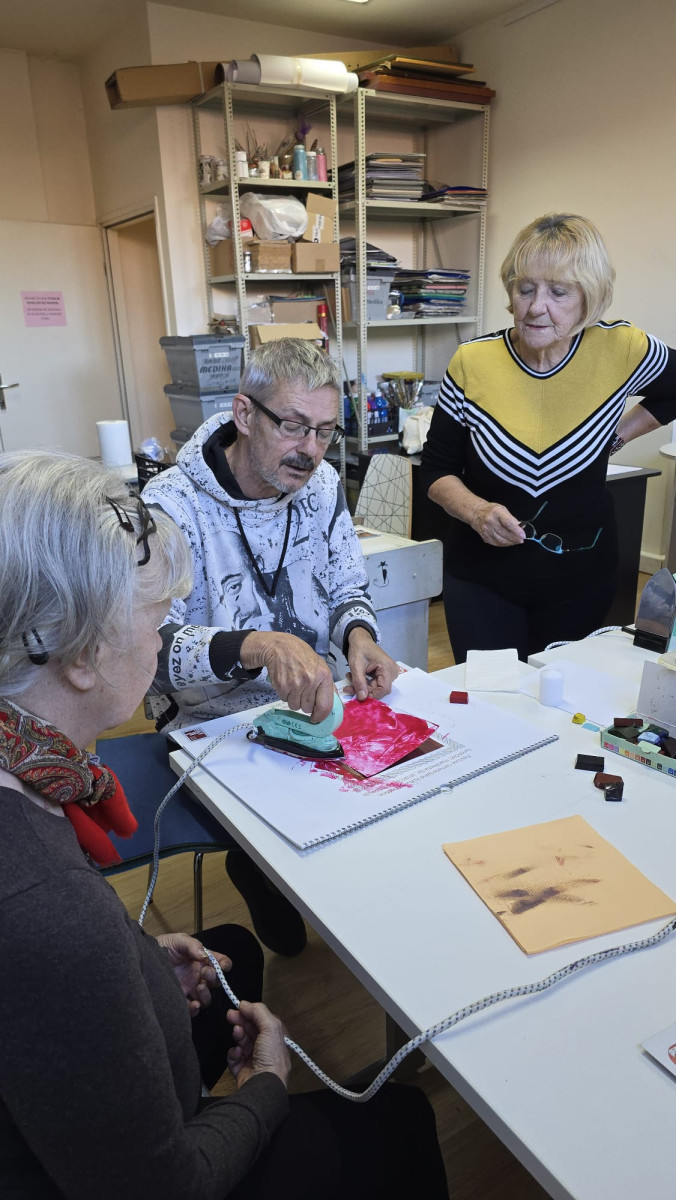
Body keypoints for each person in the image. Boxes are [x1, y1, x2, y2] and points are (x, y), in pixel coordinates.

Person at [0, 450, 449, 1200]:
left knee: (230, 951)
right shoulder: (45, 907)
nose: (158, 640)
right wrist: (267, 1086)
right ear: (80, 654)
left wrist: (136, 959)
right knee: (401, 1119)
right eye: (152, 621)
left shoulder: (33, 773)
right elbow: (160, 1186)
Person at [143, 338, 400, 954]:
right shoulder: (171, 505)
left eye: (325, 431)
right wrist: (257, 644)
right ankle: (254, 864)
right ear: (243, 413)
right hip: (209, 721)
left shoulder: (324, 484)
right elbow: (149, 652)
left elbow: (346, 583)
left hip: (306, 701)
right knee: (287, 831)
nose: (310, 451)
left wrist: (359, 636)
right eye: (293, 426)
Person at [420, 212, 676, 663]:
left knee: (563, 710)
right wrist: (477, 511)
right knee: (490, 705)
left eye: (559, 292)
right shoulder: (472, 362)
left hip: (583, 581)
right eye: (525, 289)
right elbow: (437, 472)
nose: (537, 306)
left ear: (587, 298)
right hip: (481, 583)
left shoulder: (621, 349)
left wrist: (613, 436)